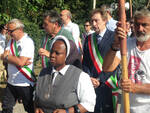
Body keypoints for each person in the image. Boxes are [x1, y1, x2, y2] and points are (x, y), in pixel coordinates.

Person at [103, 8, 150, 113]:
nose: (140, 28)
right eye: (137, 24)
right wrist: (115, 45)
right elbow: (106, 68)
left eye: (144, 25)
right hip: (126, 108)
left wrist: (135, 87)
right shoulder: (127, 44)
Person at [34, 35, 96, 113]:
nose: (52, 55)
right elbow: (36, 97)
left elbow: (89, 103)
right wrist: (37, 108)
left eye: (57, 53)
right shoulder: (43, 73)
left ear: (66, 55)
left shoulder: (80, 76)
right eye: (52, 51)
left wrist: (68, 111)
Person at [82, 8, 120, 113]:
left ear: (105, 21)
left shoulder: (114, 37)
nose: (93, 24)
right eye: (92, 21)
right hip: (91, 84)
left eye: (96, 21)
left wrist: (100, 79)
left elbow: (116, 63)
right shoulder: (88, 39)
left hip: (108, 83)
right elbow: (85, 62)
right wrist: (88, 78)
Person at [0, 19, 35, 113]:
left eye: (11, 31)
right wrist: (11, 58)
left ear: (20, 29)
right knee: (6, 108)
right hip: (11, 82)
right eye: (8, 31)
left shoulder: (27, 42)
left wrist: (8, 57)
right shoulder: (11, 41)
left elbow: (20, 62)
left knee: (30, 109)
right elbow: (3, 57)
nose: (9, 33)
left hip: (25, 83)